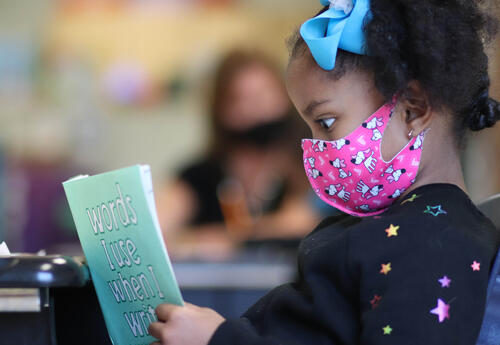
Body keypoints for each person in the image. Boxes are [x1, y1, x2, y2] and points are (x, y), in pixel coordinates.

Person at [148, 0, 500, 344]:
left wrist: (219, 338)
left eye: (326, 123)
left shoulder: (432, 243)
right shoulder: (389, 227)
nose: (315, 150)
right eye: (310, 129)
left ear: (413, 109)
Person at [158, 50, 319, 260]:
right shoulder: (201, 175)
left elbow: (300, 223)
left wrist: (227, 239)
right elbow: (157, 227)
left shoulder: (309, 165)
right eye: (240, 99)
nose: (254, 110)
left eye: (263, 96)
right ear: (221, 109)